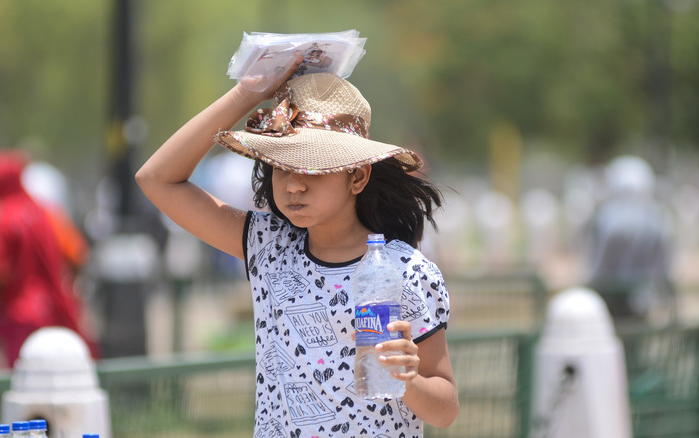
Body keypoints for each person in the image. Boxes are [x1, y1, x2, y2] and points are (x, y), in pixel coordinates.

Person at [136, 59, 458, 435]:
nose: (293, 185)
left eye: (311, 168)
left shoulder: (407, 271)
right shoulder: (267, 246)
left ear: (357, 176)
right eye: (281, 165)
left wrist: (407, 381)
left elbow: (446, 409)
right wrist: (246, 93)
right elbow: (156, 179)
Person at [0, 149, 98, 367]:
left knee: (25, 383)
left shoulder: (1, 215)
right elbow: (78, 254)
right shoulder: (46, 211)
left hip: (18, 315)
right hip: (54, 308)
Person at [585, 155, 677, 326]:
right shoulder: (659, 218)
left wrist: (591, 289)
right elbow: (662, 267)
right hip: (641, 298)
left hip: (609, 297)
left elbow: (597, 265)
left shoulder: (606, 217)